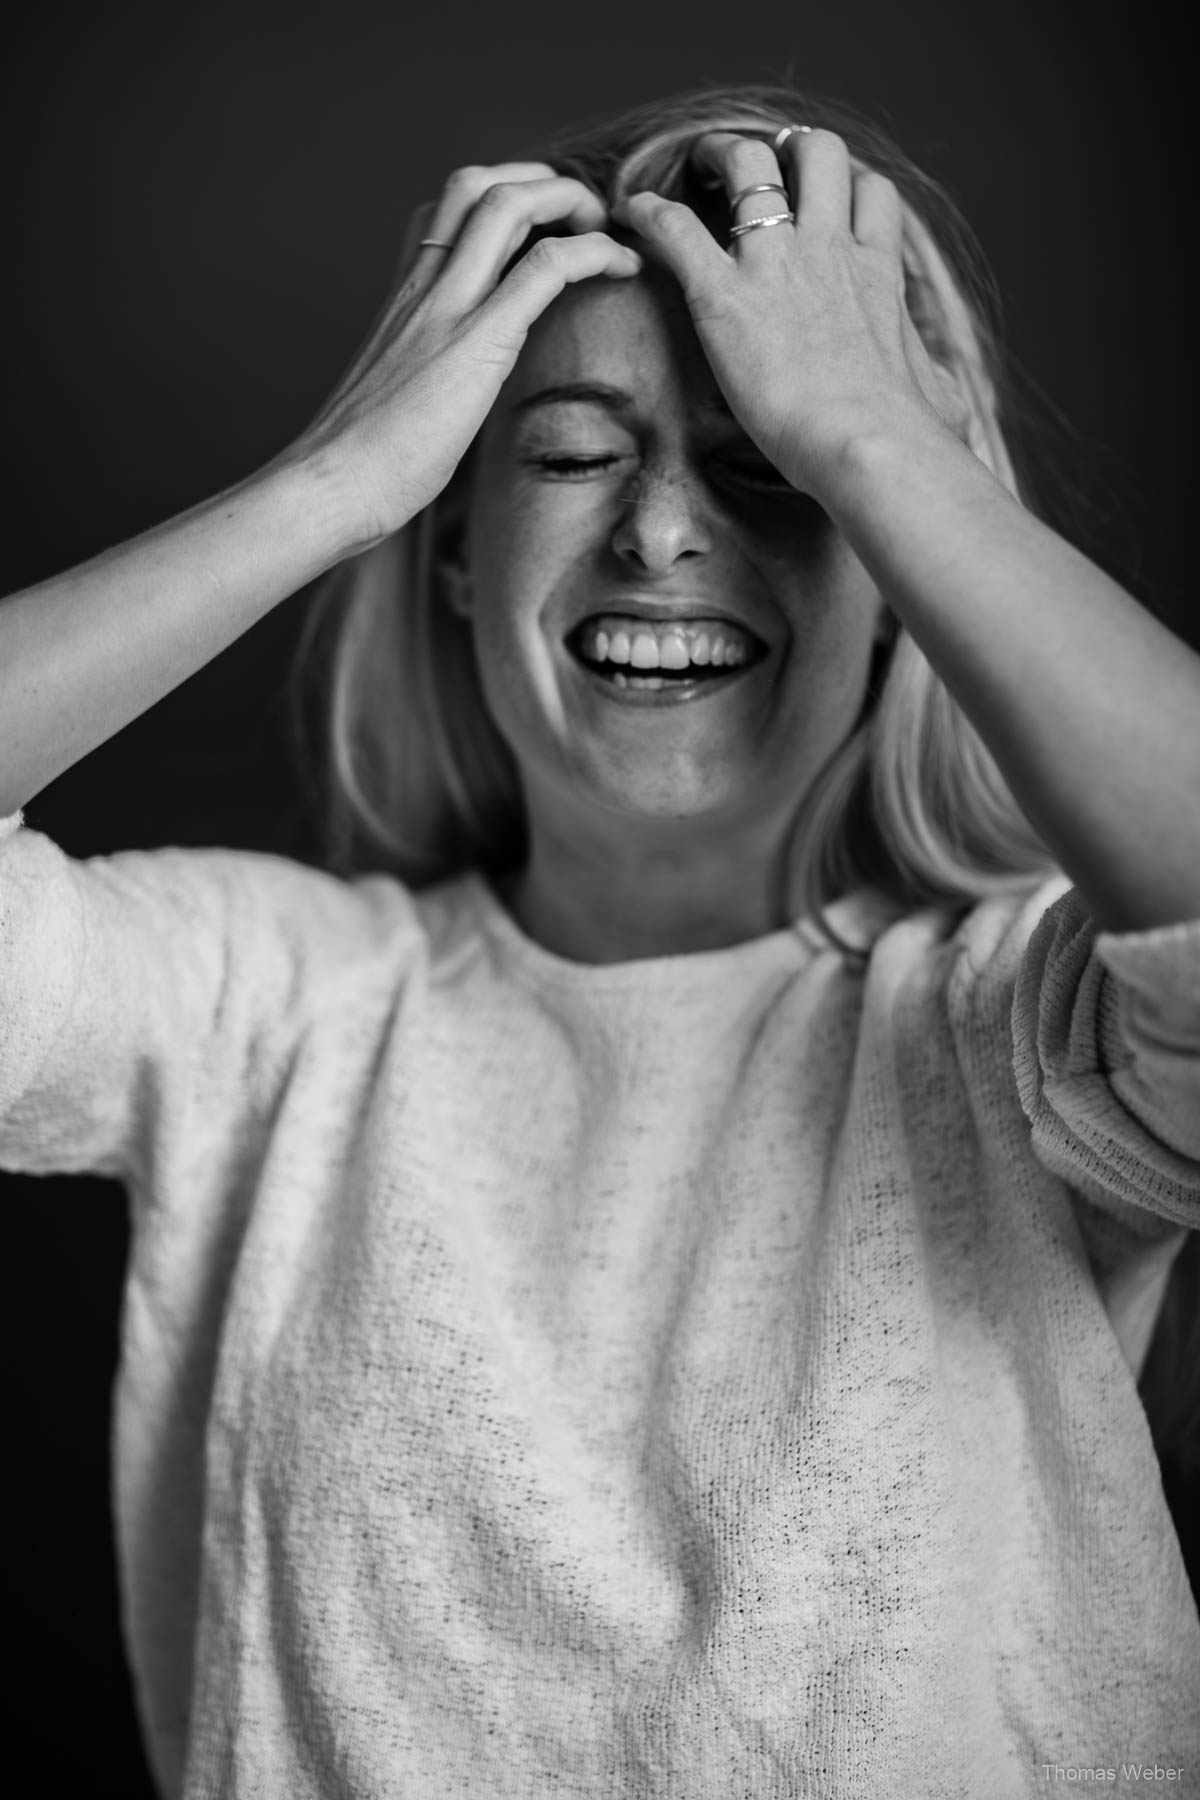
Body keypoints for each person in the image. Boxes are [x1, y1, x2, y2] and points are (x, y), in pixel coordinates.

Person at [1, 80, 1197, 1800]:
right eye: (569, 456)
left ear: (900, 564)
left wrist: (872, 431)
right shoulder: (269, 1008)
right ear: (458, 553)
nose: (656, 533)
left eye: (771, 467)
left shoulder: (1013, 1021)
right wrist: (337, 481)